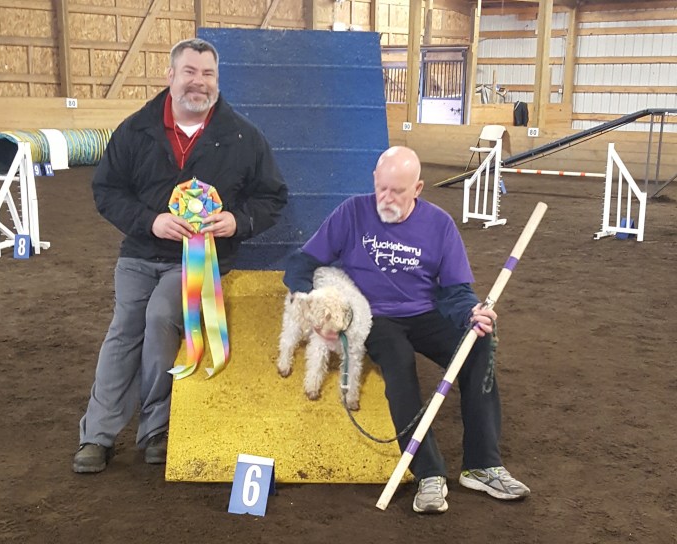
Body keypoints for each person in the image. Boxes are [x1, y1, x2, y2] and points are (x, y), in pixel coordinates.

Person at [74, 38, 288, 473]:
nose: (199, 82)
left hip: (201, 263)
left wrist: (237, 221)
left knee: (158, 317)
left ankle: (155, 429)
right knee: (124, 329)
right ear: (169, 75)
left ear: (217, 80)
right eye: (190, 72)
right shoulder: (135, 130)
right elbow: (106, 191)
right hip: (138, 254)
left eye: (208, 74)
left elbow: (272, 198)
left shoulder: (245, 137)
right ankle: (97, 435)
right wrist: (149, 221)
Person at [282, 146, 528, 513]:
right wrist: (311, 308)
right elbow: (302, 262)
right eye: (382, 188)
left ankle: (481, 465)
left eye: (397, 190)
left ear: (418, 188)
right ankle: (428, 473)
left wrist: (472, 313)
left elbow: (456, 291)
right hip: (373, 316)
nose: (386, 198)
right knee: (398, 360)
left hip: (427, 313)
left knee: (479, 343)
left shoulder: (440, 224)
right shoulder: (352, 212)